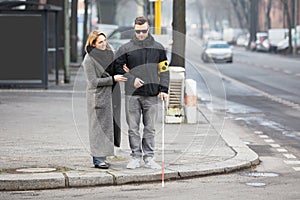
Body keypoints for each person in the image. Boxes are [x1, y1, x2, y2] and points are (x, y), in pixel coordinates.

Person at [115, 16, 170, 169]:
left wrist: (164, 89)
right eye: (138, 31)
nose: (140, 34)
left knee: (150, 128)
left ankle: (149, 158)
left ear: (148, 29)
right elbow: (117, 67)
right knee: (133, 127)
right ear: (134, 30)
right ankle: (135, 157)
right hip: (132, 94)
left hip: (152, 95)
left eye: (144, 31)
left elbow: (164, 71)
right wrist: (131, 79)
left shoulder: (158, 48)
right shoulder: (125, 49)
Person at [82, 30, 127, 169]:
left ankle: (103, 156)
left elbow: (114, 70)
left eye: (104, 40)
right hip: (98, 97)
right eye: (100, 42)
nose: (103, 44)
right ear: (93, 44)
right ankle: (97, 159)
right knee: (97, 129)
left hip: (111, 96)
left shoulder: (110, 54)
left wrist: (123, 70)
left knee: (108, 128)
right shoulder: (89, 59)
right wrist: (113, 79)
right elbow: (93, 81)